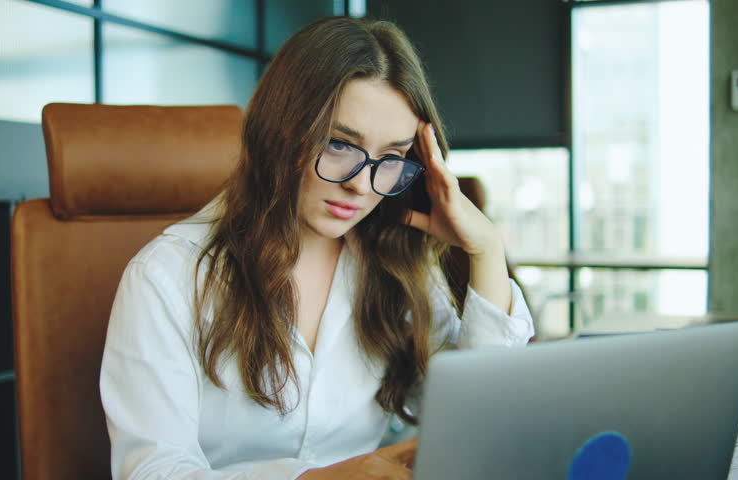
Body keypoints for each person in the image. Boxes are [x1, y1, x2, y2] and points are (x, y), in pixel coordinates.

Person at [100, 16, 534, 480]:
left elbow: (475, 420)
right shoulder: (167, 276)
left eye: (391, 157)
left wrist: (486, 249)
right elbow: (152, 471)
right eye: (340, 144)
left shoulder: (393, 262)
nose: (361, 185)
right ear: (281, 131)